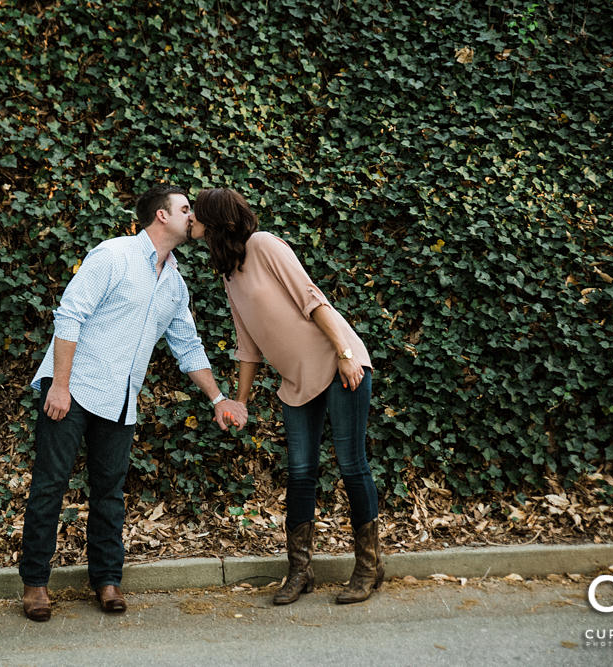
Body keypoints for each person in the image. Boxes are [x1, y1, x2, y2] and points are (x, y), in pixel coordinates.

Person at [20, 185, 248, 622]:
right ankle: (35, 585)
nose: (193, 215)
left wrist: (219, 399)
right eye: (185, 208)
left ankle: (106, 581)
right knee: (49, 487)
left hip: (121, 401)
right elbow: (70, 315)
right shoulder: (113, 255)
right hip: (74, 389)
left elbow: (188, 346)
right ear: (161, 216)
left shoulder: (175, 284)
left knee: (110, 495)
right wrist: (59, 385)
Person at [189, 187, 381, 606]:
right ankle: (300, 571)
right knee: (299, 473)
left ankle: (368, 566)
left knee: (351, 465)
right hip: (295, 383)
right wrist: (239, 401)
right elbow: (247, 346)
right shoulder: (229, 271)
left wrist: (346, 355)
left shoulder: (264, 245)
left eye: (196, 214)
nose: (190, 221)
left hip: (337, 366)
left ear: (215, 220)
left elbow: (314, 300)